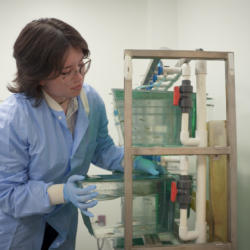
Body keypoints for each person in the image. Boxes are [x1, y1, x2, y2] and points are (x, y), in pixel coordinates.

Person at [0, 18, 163, 250]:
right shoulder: (12, 118)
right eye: (67, 72)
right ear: (39, 76)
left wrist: (135, 160)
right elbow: (7, 193)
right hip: (20, 231)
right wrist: (61, 192)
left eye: (81, 65)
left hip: (63, 225)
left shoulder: (89, 100)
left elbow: (101, 149)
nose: (79, 77)